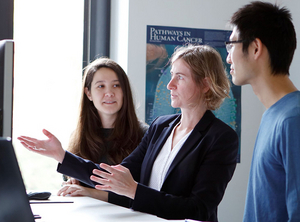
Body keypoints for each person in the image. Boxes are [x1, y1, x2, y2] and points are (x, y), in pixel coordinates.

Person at [18, 44, 239, 221]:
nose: (170, 84)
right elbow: (112, 175)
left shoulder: (221, 138)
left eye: (180, 77)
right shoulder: (161, 126)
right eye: (171, 75)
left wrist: (134, 191)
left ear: (205, 84)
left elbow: (199, 209)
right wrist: (61, 156)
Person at [226, 2, 300, 222]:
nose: (228, 57)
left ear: (256, 48)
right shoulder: (273, 114)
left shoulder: (292, 120)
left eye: (232, 45)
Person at [51, 57, 148, 198]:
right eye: (101, 86)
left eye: (116, 85)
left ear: (124, 91)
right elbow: (71, 182)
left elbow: (139, 193)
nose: (109, 93)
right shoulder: (78, 136)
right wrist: (72, 181)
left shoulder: (144, 134)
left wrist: (90, 192)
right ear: (88, 93)